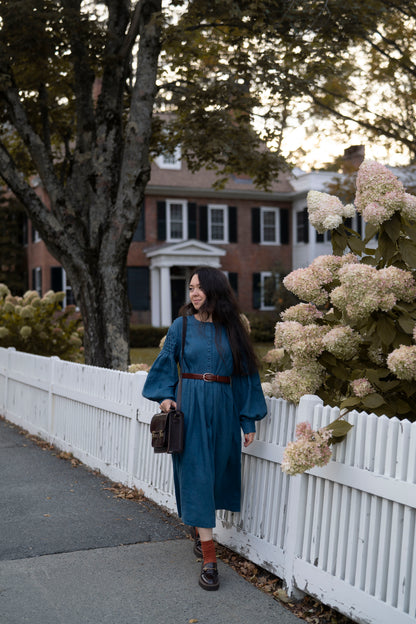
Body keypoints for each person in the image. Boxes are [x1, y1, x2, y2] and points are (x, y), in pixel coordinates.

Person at [142, 266, 267, 591]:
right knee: (197, 475)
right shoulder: (181, 327)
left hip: (224, 409)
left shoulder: (234, 329)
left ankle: (200, 533)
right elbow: (166, 363)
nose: (194, 294)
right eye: (191, 288)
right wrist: (165, 398)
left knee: (217, 474)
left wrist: (247, 419)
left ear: (215, 291)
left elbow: (245, 376)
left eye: (200, 288)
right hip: (191, 409)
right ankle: (210, 559)